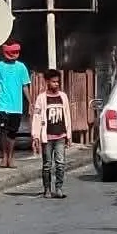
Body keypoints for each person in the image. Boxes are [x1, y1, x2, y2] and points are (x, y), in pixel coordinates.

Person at [31, 69, 73, 199]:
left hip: (60, 136)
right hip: (46, 137)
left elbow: (67, 116)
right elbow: (37, 117)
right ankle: (47, 189)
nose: (56, 84)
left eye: (57, 82)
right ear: (47, 82)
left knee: (60, 163)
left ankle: (59, 188)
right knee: (47, 165)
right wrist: (36, 136)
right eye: (54, 82)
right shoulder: (41, 98)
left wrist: (68, 135)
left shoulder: (63, 96)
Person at [0, 42, 31, 168]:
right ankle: (4, 156)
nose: (14, 55)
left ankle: (11, 157)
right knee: (3, 130)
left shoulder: (21, 67)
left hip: (16, 106)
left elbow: (25, 86)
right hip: (1, 104)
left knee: (12, 133)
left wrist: (31, 102)